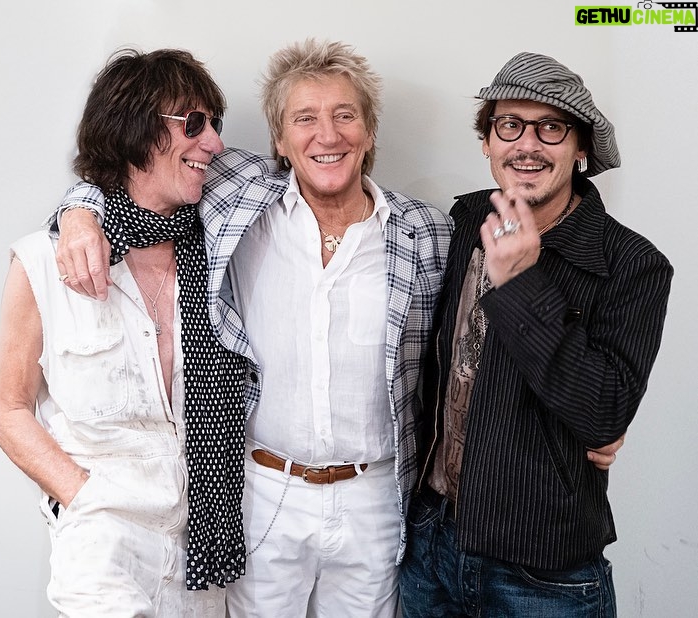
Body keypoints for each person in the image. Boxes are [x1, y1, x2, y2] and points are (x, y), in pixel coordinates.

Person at [53, 41, 625, 617]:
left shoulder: (428, 231)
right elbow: (140, 170)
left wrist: (585, 420)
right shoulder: (239, 195)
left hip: (375, 496)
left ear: (370, 132)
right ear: (280, 140)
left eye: (345, 115)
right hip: (264, 491)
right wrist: (78, 211)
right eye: (305, 118)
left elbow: (477, 338)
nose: (327, 135)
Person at [400, 52, 673, 617]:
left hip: (543, 572)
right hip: (431, 542)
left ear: (581, 150)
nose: (527, 144)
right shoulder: (461, 222)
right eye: (510, 125)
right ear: (488, 141)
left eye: (551, 127)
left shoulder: (632, 265)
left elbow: (602, 413)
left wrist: (521, 281)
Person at [0, 48, 248, 616]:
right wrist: (85, 498)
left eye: (216, 124)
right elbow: (9, 410)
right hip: (103, 547)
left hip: (205, 550)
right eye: (194, 123)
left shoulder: (223, 255)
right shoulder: (42, 261)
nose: (215, 144)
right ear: (134, 129)